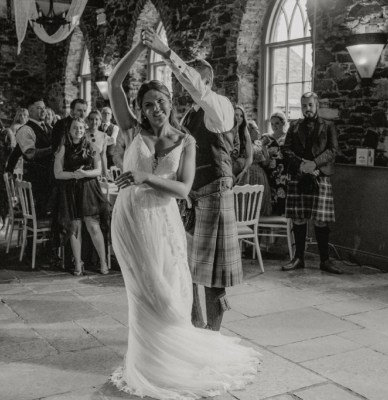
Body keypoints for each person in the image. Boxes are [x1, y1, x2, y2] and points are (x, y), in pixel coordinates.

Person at [107, 35, 259, 400]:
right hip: (132, 219)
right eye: (147, 104)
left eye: (160, 102)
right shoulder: (133, 130)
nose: (154, 109)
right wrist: (142, 50)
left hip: (172, 215)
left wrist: (146, 177)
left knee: (181, 289)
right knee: (147, 291)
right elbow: (114, 83)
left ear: (170, 102)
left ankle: (190, 347)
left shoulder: (201, 126)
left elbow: (184, 185)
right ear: (141, 109)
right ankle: (147, 360)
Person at [143, 28, 243, 332]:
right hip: (192, 198)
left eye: (191, 79)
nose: (185, 84)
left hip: (214, 193)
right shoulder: (189, 116)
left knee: (213, 278)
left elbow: (197, 88)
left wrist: (166, 52)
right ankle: (195, 325)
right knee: (187, 269)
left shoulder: (221, 107)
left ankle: (214, 335)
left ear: (207, 82)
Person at [281, 92, 343, 274]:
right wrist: (302, 165)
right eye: (303, 106)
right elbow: (286, 150)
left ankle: (325, 260)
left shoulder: (328, 125)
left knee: (321, 220)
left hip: (320, 175)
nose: (306, 109)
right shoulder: (294, 126)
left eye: (310, 105)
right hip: (299, 175)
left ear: (316, 105)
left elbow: (333, 150)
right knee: (298, 218)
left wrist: (314, 164)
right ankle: (298, 258)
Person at [53, 116, 109, 275]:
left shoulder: (91, 146)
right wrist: (73, 175)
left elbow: (99, 170)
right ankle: (78, 263)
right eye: (75, 128)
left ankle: (103, 262)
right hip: (71, 190)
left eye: (81, 128)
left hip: (88, 189)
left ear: (84, 130)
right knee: (75, 227)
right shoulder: (63, 147)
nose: (78, 130)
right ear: (69, 131)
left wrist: (84, 173)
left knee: (93, 225)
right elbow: (57, 173)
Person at [6, 96, 53, 218]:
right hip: (37, 179)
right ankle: (34, 235)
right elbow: (30, 154)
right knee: (40, 212)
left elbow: (16, 152)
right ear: (30, 110)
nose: (44, 111)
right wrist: (53, 149)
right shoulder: (25, 130)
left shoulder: (48, 127)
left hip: (49, 177)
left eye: (44, 108)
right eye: (39, 108)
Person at [262, 111, 289, 215]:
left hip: (284, 177)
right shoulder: (266, 138)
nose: (274, 126)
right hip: (270, 176)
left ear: (283, 123)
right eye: (272, 124)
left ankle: (286, 230)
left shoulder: (288, 138)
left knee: (283, 206)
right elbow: (264, 162)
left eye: (277, 123)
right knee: (271, 206)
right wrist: (264, 147)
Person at [231, 105, 252, 185]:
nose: (239, 118)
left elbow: (249, 157)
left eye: (241, 116)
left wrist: (243, 172)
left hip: (242, 170)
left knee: (242, 162)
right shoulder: (226, 132)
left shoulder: (245, 132)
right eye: (236, 115)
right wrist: (229, 173)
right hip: (228, 169)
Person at [86, 110, 108, 177]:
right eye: (91, 119)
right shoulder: (82, 133)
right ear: (88, 121)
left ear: (100, 121)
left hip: (97, 171)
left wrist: (105, 173)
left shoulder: (104, 136)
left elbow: (103, 156)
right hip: (85, 170)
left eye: (96, 119)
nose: (94, 122)